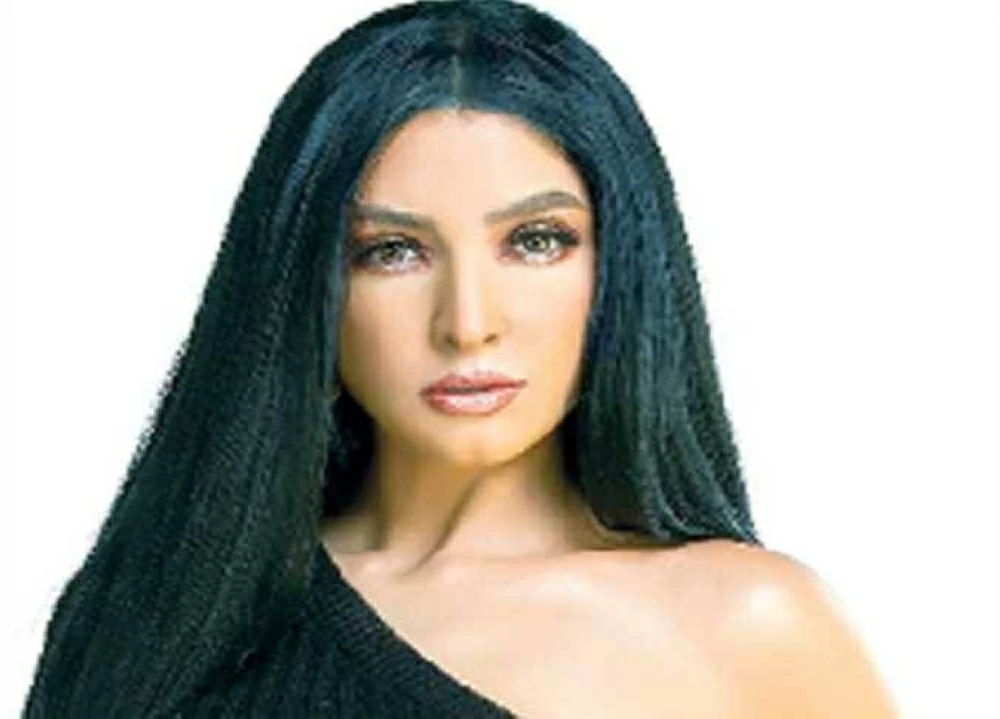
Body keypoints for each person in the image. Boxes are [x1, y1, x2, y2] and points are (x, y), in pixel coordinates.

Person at [22, 0, 897, 716]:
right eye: (392, 251)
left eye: (537, 240)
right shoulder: (144, 618)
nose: (468, 322)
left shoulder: (746, 629)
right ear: (307, 284)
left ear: (621, 266)